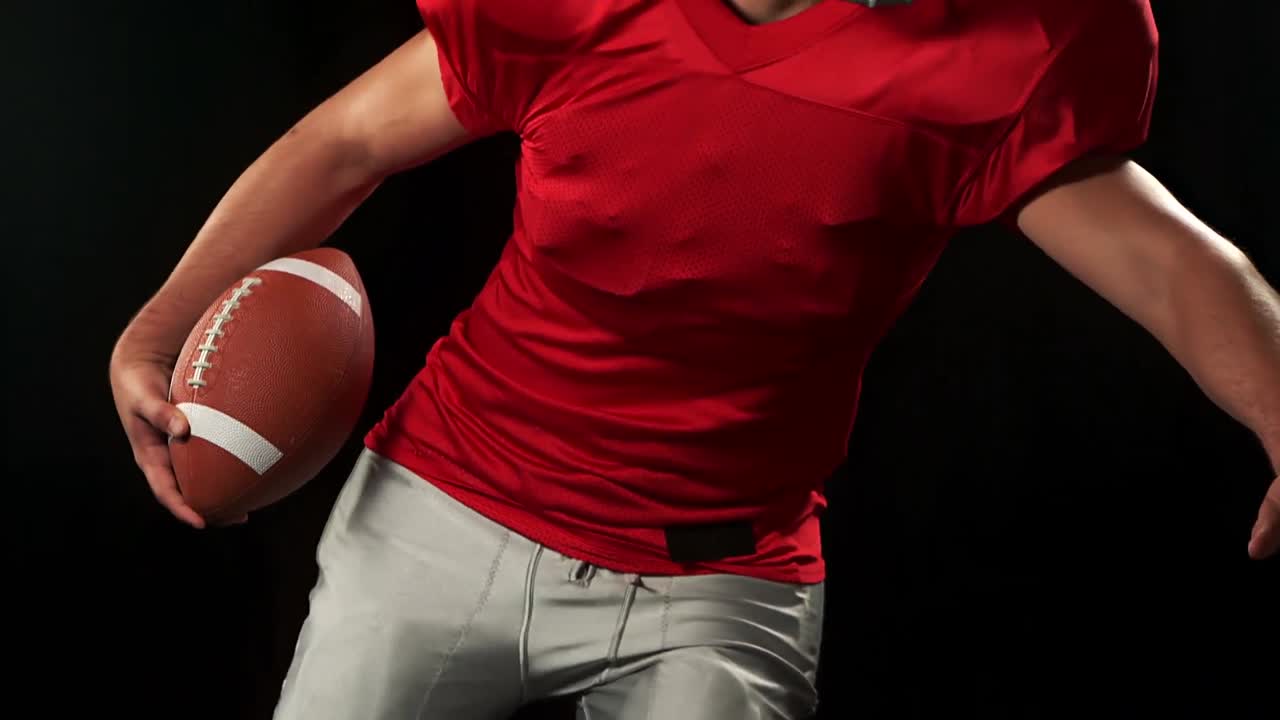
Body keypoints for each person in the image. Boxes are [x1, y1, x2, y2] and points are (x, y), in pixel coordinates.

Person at [108, 0, 1280, 718]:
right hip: (445, 505)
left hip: (722, 579)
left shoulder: (996, 42)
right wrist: (159, 328)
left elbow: (1172, 262)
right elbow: (349, 139)